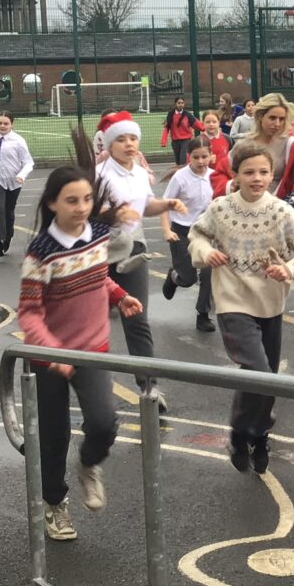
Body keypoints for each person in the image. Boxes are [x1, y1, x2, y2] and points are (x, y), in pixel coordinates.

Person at [18, 128, 143, 541]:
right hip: (50, 358)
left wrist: (119, 295)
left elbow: (97, 277)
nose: (81, 208)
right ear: (52, 203)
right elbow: (29, 313)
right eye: (72, 201)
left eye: (87, 199)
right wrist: (53, 352)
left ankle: (89, 463)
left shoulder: (99, 236)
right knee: (52, 437)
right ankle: (55, 503)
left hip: (92, 350)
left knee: (104, 423)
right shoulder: (41, 253)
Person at [189, 143, 294, 473]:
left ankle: (259, 436)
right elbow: (198, 235)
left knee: (267, 377)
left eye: (264, 172)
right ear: (235, 175)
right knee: (259, 371)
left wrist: (289, 269)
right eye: (249, 172)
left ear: (272, 174)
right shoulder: (221, 209)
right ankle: (241, 433)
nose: (257, 178)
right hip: (233, 300)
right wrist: (206, 252)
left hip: (270, 303)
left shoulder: (280, 211)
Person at [96, 111, 187, 410]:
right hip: (98, 252)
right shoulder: (98, 174)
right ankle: (92, 390)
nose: (129, 144)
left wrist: (167, 203)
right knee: (92, 323)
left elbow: (147, 206)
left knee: (137, 317)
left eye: (133, 138)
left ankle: (149, 387)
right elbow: (88, 213)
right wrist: (114, 214)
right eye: (121, 139)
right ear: (110, 144)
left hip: (132, 248)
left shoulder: (138, 172)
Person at [160, 136, 216, 332]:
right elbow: (165, 205)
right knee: (188, 279)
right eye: (196, 157)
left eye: (204, 157)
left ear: (211, 155)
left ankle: (203, 314)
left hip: (206, 233)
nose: (201, 161)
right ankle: (175, 277)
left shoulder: (215, 176)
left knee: (209, 273)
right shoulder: (180, 178)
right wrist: (167, 230)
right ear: (189, 157)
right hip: (182, 232)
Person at [0, 110, 34, 257]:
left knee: (9, 210)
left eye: (6, 123)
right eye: (0, 123)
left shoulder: (18, 141)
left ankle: (8, 237)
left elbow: (28, 162)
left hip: (14, 180)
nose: (2, 126)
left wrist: (22, 175)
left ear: (12, 124)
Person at [243, 93, 294, 192]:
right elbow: (224, 172)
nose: (277, 124)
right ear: (260, 116)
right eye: (272, 118)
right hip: (250, 199)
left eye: (281, 119)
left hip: (279, 199)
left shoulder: (290, 144)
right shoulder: (245, 144)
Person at [161, 97, 204, 165]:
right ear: (175, 104)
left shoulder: (187, 115)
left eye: (182, 103)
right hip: (175, 141)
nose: (181, 105)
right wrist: (163, 142)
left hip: (186, 140)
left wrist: (206, 128)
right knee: (178, 161)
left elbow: (196, 124)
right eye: (179, 103)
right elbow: (166, 128)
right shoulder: (170, 114)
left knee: (183, 160)